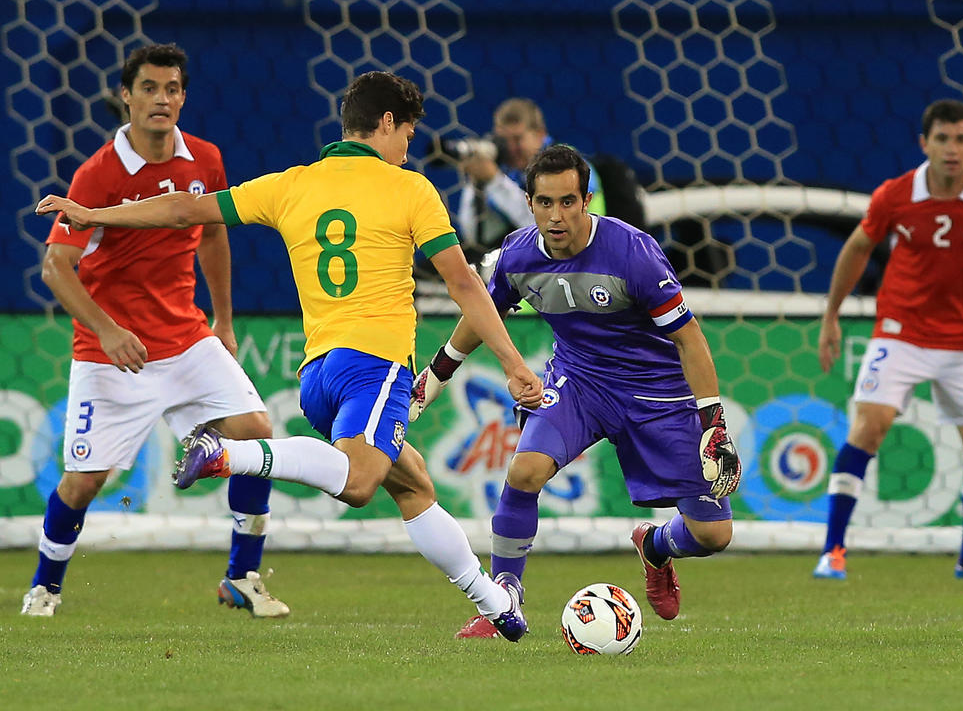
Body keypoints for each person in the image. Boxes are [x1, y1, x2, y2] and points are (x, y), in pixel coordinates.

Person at [37, 70, 545, 641]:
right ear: (385, 124)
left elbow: (183, 210)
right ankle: (232, 455)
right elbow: (465, 285)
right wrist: (514, 364)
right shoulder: (411, 190)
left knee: (412, 486)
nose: (408, 147)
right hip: (374, 366)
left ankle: (499, 608)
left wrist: (96, 214)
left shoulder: (292, 184)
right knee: (357, 484)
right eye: (407, 132)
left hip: (319, 376)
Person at [409, 144, 742, 637]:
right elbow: (481, 314)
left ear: (587, 200)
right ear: (529, 203)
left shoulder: (634, 253)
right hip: (579, 381)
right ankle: (503, 600)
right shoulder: (518, 257)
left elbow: (688, 338)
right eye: (545, 202)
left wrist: (712, 421)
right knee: (524, 472)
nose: (557, 215)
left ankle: (655, 546)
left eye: (568, 202)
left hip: (655, 392)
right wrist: (436, 374)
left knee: (713, 535)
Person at [22, 43, 288, 618]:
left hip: (187, 339)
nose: (161, 99)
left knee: (256, 432)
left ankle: (241, 576)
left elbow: (214, 236)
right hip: (110, 352)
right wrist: (108, 329)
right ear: (126, 95)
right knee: (84, 483)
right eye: (148, 88)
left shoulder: (205, 160)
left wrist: (223, 320)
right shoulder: (97, 173)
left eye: (171, 89)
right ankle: (45, 588)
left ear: (183, 97)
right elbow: (55, 268)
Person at [815, 99, 963, 583]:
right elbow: (858, 246)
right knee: (869, 427)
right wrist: (831, 314)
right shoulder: (896, 195)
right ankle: (833, 551)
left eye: (961, 140)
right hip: (901, 331)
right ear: (923, 143)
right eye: (943, 139)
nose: (952, 149)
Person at [454, 98, 606, 252]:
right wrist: (475, 182)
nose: (511, 149)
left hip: (583, 253)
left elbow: (547, 228)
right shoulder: (511, 173)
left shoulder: (567, 165)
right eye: (504, 141)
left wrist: (494, 181)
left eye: (517, 139)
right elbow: (475, 237)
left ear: (539, 135)